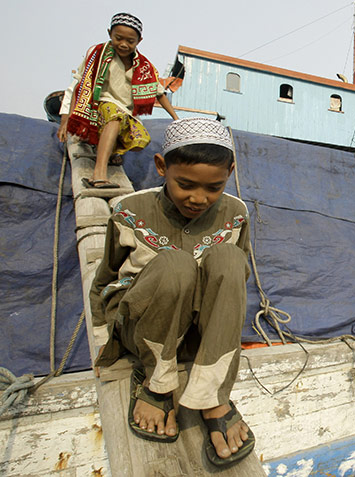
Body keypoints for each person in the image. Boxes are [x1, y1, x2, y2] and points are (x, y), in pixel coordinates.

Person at [90, 117, 254, 467]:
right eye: (185, 185)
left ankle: (213, 395)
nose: (199, 198)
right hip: (146, 329)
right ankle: (157, 383)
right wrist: (104, 337)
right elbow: (105, 280)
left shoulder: (236, 213)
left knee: (229, 259)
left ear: (230, 173)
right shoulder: (130, 211)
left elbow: (234, 281)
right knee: (175, 265)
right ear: (162, 167)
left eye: (214, 188)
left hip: (197, 335)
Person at [58, 12, 179, 189]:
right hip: (99, 107)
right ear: (109, 34)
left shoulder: (144, 66)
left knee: (140, 140)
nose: (123, 44)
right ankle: (98, 175)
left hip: (125, 112)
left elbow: (159, 94)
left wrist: (176, 119)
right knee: (114, 118)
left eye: (130, 41)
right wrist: (65, 119)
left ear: (139, 41)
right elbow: (77, 86)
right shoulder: (97, 55)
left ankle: (113, 149)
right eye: (118, 38)